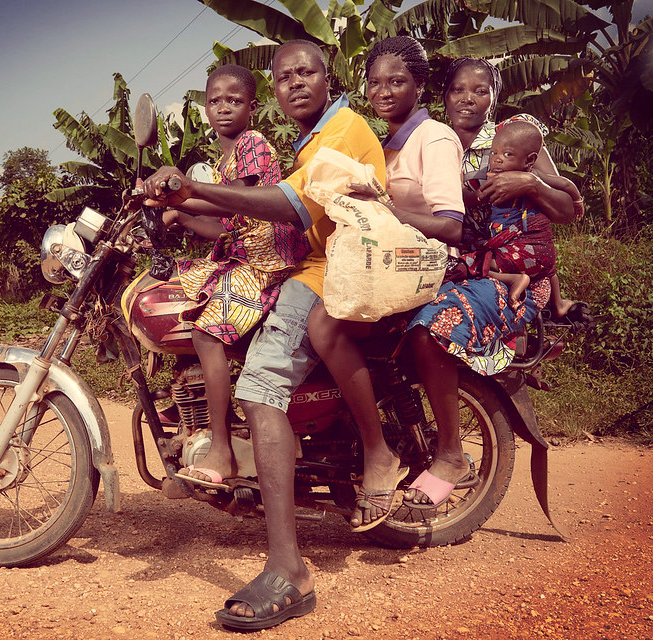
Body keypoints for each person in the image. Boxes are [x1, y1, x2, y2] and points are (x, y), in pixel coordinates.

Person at [144, 39, 386, 631]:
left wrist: (190, 191)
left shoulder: (343, 131)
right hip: (315, 265)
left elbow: (288, 208)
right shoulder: (311, 140)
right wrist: (182, 205)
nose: (295, 83)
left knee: (260, 388)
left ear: (329, 79)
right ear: (274, 90)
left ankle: (289, 568)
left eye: (306, 72)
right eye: (285, 76)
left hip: (330, 272)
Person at [401, 57, 582, 509]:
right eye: (459, 90)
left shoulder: (515, 133)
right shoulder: (434, 138)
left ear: (493, 96)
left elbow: (569, 208)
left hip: (509, 269)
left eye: (479, 90)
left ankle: (449, 454)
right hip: (461, 263)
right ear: (444, 96)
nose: (468, 98)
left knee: (433, 328)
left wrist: (531, 182)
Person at [307, 36, 465, 529]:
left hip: (428, 269)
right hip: (387, 267)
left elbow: (452, 225)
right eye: (375, 82)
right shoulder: (383, 141)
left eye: (397, 81)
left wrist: (386, 207)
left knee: (325, 325)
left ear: (419, 85)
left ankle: (380, 453)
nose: (384, 91)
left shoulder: (433, 137)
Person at [162, 64, 309, 488]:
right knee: (176, 297)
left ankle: (222, 449)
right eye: (215, 101)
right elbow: (229, 225)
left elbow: (238, 203)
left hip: (269, 264)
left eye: (234, 100)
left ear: (252, 107)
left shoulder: (253, 144)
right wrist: (180, 217)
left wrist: (184, 198)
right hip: (245, 257)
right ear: (204, 107)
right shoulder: (222, 160)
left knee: (206, 333)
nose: (223, 108)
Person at [459, 119, 581, 309]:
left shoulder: (518, 179)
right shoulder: (535, 176)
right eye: (493, 152)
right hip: (543, 251)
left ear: (529, 160)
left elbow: (475, 198)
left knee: (475, 263)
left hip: (520, 249)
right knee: (548, 269)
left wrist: (463, 193)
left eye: (507, 154)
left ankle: (515, 279)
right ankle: (558, 304)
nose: (497, 159)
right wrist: (577, 200)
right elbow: (565, 184)